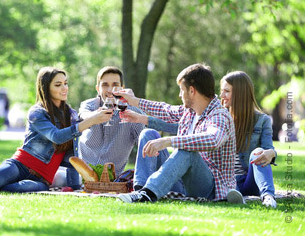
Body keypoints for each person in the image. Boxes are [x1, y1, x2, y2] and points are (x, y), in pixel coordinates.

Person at [0, 67, 111, 193]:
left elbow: (72, 155)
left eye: (65, 83)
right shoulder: (37, 113)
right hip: (20, 165)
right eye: (58, 84)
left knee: (13, 189)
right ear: (46, 88)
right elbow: (56, 136)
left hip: (42, 181)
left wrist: (75, 186)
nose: (64, 88)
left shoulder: (69, 115)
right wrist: (90, 121)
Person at [116, 63, 236, 203]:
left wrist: (168, 141)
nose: (180, 95)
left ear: (192, 91)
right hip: (182, 182)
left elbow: (213, 139)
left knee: (188, 150)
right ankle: (140, 191)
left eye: (181, 90)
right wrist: (135, 101)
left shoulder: (219, 116)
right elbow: (165, 109)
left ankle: (148, 194)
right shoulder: (190, 111)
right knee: (148, 134)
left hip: (210, 188)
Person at [78, 66, 177, 176]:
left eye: (115, 85)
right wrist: (94, 117)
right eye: (105, 85)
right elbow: (83, 115)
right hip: (83, 173)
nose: (110, 90)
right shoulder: (90, 105)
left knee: (150, 136)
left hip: (113, 177)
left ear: (122, 88)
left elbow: (147, 140)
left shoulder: (132, 113)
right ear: (98, 88)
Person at [220, 71, 277, 208]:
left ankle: (268, 197)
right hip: (227, 181)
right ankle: (235, 195)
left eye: (226, 91)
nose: (222, 96)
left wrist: (272, 153)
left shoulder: (262, 121)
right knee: (230, 188)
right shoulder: (219, 118)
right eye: (222, 91)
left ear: (240, 94)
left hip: (250, 181)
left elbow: (269, 149)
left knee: (258, 152)